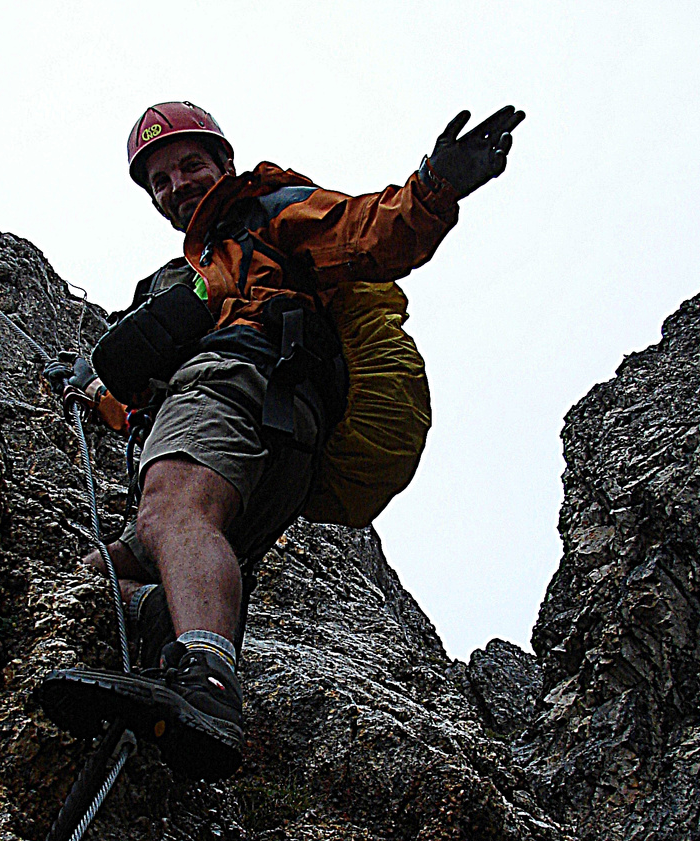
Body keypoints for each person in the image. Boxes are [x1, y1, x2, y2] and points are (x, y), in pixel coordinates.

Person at [42, 99, 524, 779]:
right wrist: (95, 394)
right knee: (90, 577)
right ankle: (165, 623)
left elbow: (366, 231)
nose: (177, 184)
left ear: (224, 164)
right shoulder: (208, 264)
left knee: (170, 513)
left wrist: (435, 186)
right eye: (160, 180)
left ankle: (205, 678)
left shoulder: (264, 213)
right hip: (279, 442)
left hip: (243, 376)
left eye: (189, 164)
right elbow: (151, 413)